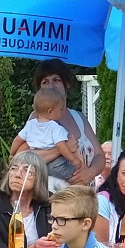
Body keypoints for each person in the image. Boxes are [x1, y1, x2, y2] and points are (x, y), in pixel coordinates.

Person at [30, 59, 106, 187]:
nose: (51, 86)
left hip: (85, 197)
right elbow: (27, 159)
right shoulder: (36, 120)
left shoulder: (79, 118)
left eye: (56, 80)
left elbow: (100, 155)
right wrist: (61, 150)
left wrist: (90, 172)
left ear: (67, 84)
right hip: (51, 200)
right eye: (45, 82)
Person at [10, 88, 83, 184]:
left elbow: (18, 140)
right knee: (63, 168)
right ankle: (72, 175)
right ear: (50, 111)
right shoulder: (55, 127)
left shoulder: (30, 125)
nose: (62, 112)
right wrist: (74, 160)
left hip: (36, 162)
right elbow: (61, 146)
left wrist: (12, 153)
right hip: (55, 160)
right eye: (60, 110)